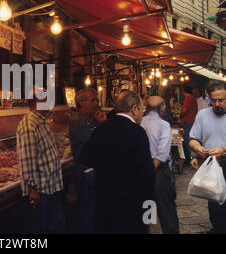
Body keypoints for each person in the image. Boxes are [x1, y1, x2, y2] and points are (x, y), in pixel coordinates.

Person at [80, 90, 155, 234]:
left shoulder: (101, 128)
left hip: (105, 201)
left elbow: (85, 157)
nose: (142, 113)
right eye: (141, 109)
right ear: (134, 108)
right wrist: (149, 213)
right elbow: (147, 174)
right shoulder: (137, 132)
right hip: (131, 204)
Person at [16, 87, 65, 234]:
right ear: (39, 101)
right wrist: (33, 190)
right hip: (42, 191)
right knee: (40, 229)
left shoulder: (42, 121)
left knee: (55, 226)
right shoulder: (29, 125)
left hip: (52, 186)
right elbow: (27, 160)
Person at [189, 80, 226, 234]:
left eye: (221, 100)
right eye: (213, 100)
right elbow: (193, 139)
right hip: (211, 164)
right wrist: (196, 149)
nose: (217, 104)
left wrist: (223, 149)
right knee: (215, 204)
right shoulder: (203, 115)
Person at [141, 96, 179, 234]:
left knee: (147, 207)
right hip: (159, 171)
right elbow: (162, 153)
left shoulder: (140, 122)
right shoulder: (164, 124)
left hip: (144, 169)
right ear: (162, 107)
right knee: (166, 210)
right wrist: (152, 171)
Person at [68, 88, 99, 234]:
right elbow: (95, 141)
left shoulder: (90, 119)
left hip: (92, 170)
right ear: (82, 102)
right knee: (87, 209)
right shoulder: (77, 121)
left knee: (92, 209)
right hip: (85, 170)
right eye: (92, 100)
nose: (96, 103)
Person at [180, 85, 198, 165]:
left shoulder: (188, 98)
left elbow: (184, 110)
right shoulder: (193, 98)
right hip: (192, 121)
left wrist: (180, 116)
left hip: (189, 122)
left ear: (184, 92)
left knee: (187, 140)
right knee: (189, 139)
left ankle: (188, 159)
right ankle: (190, 157)